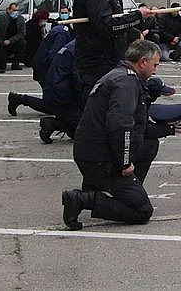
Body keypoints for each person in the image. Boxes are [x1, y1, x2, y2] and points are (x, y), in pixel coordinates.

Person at [63, 40, 169, 230]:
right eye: (155, 65)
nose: (155, 71)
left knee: (150, 144)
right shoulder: (126, 83)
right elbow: (121, 127)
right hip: (100, 159)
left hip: (94, 151)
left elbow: (139, 128)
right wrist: (125, 162)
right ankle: (84, 199)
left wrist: (170, 129)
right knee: (142, 211)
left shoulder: (122, 76)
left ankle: (114, 189)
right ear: (143, 61)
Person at [73, 0, 153, 114]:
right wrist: (137, 16)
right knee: (98, 113)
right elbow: (106, 25)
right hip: (98, 64)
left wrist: (135, 24)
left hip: (105, 60)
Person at [9, 40, 83, 142]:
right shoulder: (73, 44)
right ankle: (54, 123)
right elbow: (77, 79)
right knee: (87, 125)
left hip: (55, 84)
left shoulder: (72, 43)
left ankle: (21, 99)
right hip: (59, 90)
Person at [0, 2, 27, 72]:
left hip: (13, 42)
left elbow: (22, 33)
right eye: (14, 10)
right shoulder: (1, 18)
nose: (16, 12)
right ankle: (0, 64)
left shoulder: (21, 19)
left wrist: (11, 40)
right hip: (2, 41)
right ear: (8, 10)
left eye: (17, 10)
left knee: (23, 43)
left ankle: (16, 64)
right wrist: (1, 40)